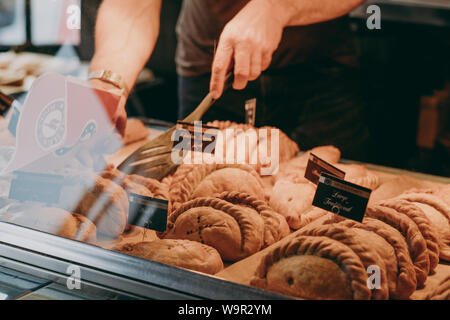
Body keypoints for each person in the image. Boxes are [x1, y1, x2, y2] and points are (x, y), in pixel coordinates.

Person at [89, 0, 371, 161]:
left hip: (320, 76)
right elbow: (131, 6)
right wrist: (109, 82)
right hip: (211, 78)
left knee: (324, 208)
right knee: (200, 202)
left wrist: (277, 7)